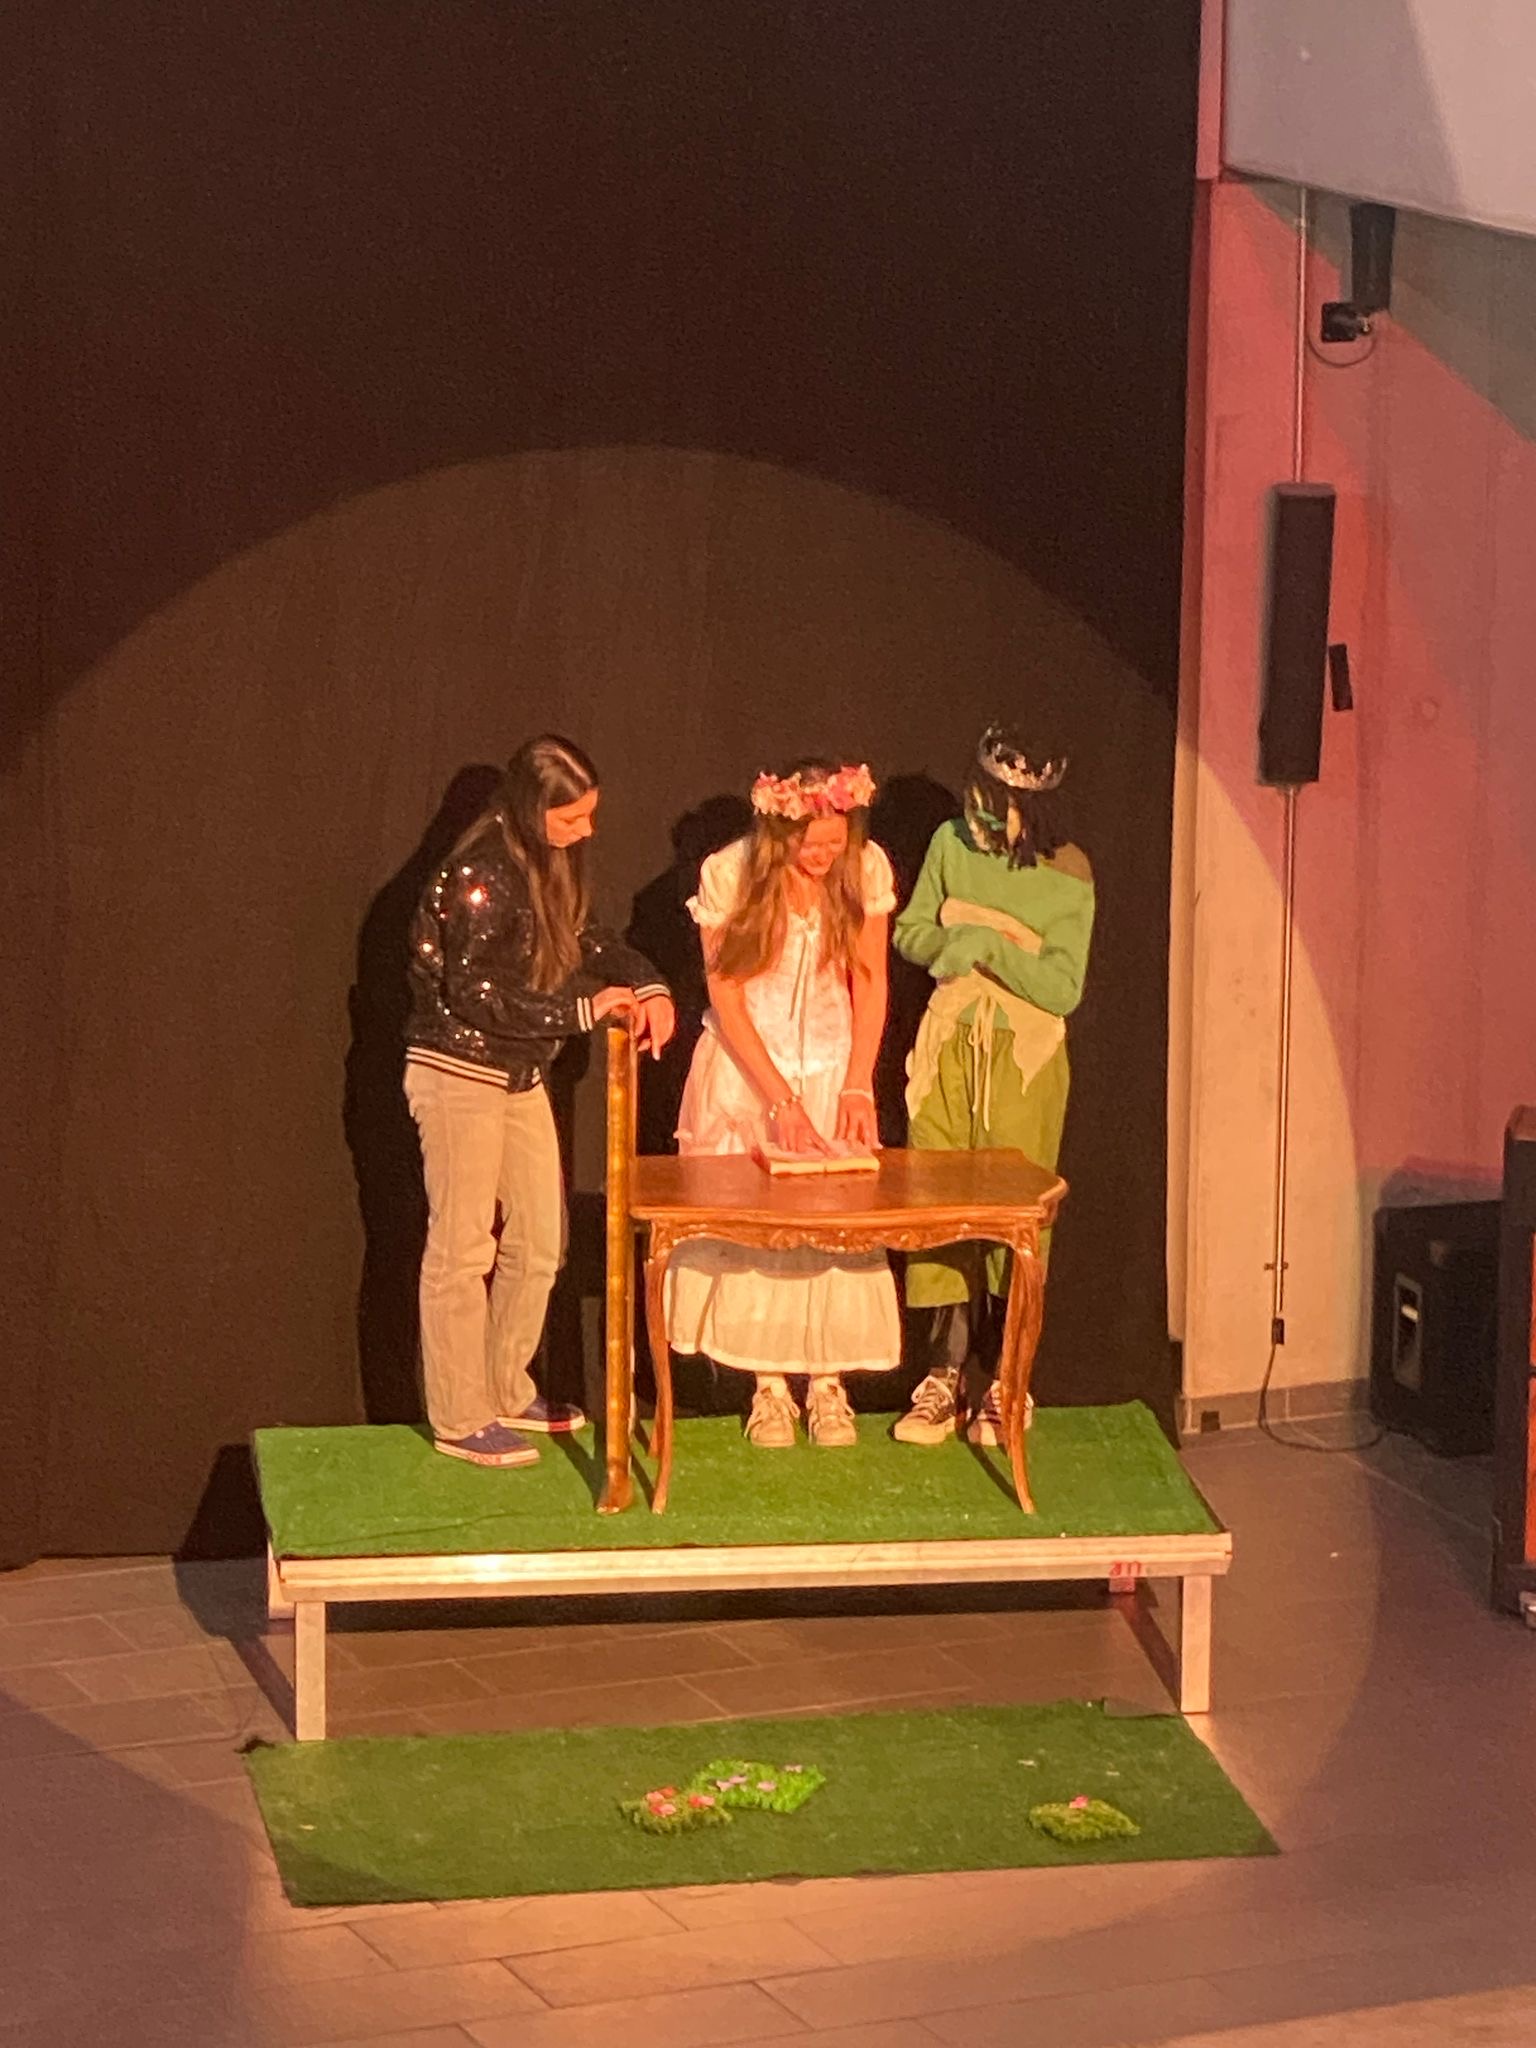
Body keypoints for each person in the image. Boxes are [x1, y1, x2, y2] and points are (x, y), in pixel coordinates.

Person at [404, 735, 675, 1467]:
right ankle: (459, 1414)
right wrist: (583, 1009)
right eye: (571, 818)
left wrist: (647, 982)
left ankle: (503, 1385)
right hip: (459, 1069)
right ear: (532, 807)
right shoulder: (480, 869)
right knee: (464, 1247)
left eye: (589, 815)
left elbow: (587, 939)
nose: (585, 831)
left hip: (518, 1071)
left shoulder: (543, 865)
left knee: (540, 1239)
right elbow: (475, 993)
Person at [666, 760, 901, 1448]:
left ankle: (827, 1383)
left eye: (835, 842)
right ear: (779, 834)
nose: (825, 855)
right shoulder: (730, 874)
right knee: (757, 1234)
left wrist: (857, 1081)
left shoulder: (864, 869)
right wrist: (777, 1099)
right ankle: (768, 1386)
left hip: (829, 1069)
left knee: (832, 1230)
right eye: (812, 844)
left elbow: (871, 980)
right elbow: (726, 994)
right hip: (750, 1075)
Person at [892, 724, 1094, 1446]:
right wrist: (951, 943)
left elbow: (1063, 988)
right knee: (937, 1207)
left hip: (1023, 1061)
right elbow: (909, 931)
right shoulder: (950, 844)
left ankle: (1010, 1379)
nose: (977, 808)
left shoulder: (1069, 869)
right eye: (975, 792)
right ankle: (941, 1375)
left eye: (993, 798)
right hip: (948, 1048)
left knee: (1017, 1218)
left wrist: (991, 947)